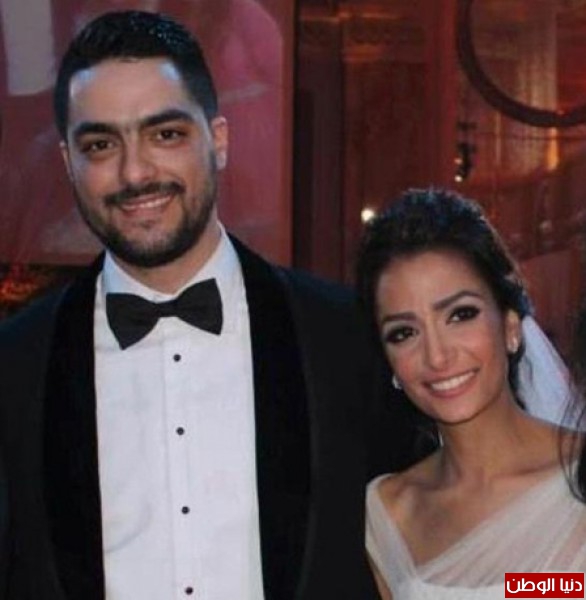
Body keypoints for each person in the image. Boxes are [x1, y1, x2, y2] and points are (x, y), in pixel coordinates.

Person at [0, 10, 423, 600]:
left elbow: (465, 547)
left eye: (165, 135)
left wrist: (544, 583)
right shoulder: (16, 366)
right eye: (101, 145)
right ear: (69, 163)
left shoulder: (345, 339)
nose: (135, 172)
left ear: (218, 140)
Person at [356, 188, 586, 599]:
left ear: (510, 326)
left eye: (460, 314)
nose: (437, 356)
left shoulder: (578, 476)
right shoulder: (390, 511)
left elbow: (539, 589)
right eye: (404, 333)